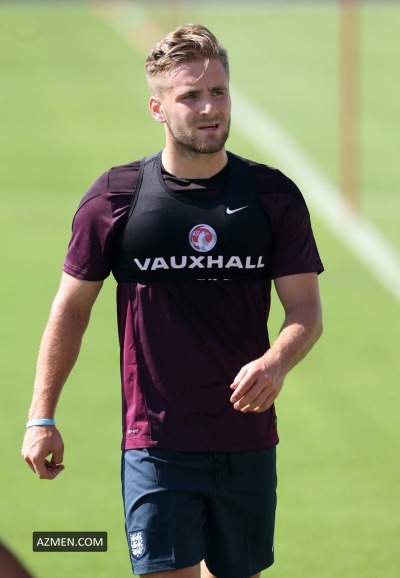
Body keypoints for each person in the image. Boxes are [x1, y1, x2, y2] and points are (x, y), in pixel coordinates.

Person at [22, 23, 323, 578]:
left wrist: (276, 362)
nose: (210, 108)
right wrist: (41, 417)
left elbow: (305, 308)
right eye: (191, 96)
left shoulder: (272, 196)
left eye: (219, 92)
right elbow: (71, 310)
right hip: (155, 443)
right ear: (157, 108)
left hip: (246, 439)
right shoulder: (115, 198)